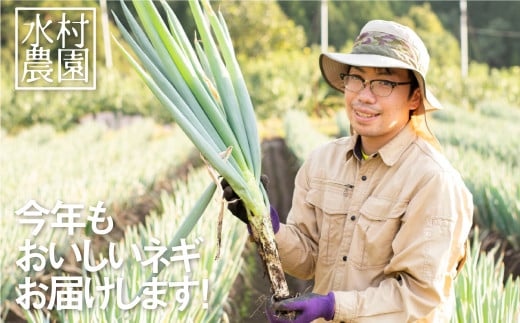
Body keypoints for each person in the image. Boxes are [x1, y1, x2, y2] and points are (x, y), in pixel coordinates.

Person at [224, 20, 473, 323]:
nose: (364, 96)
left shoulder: (433, 181)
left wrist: (331, 307)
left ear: (414, 98)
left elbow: (420, 298)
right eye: (356, 78)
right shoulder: (323, 162)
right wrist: (267, 226)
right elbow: (308, 259)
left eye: (384, 83)